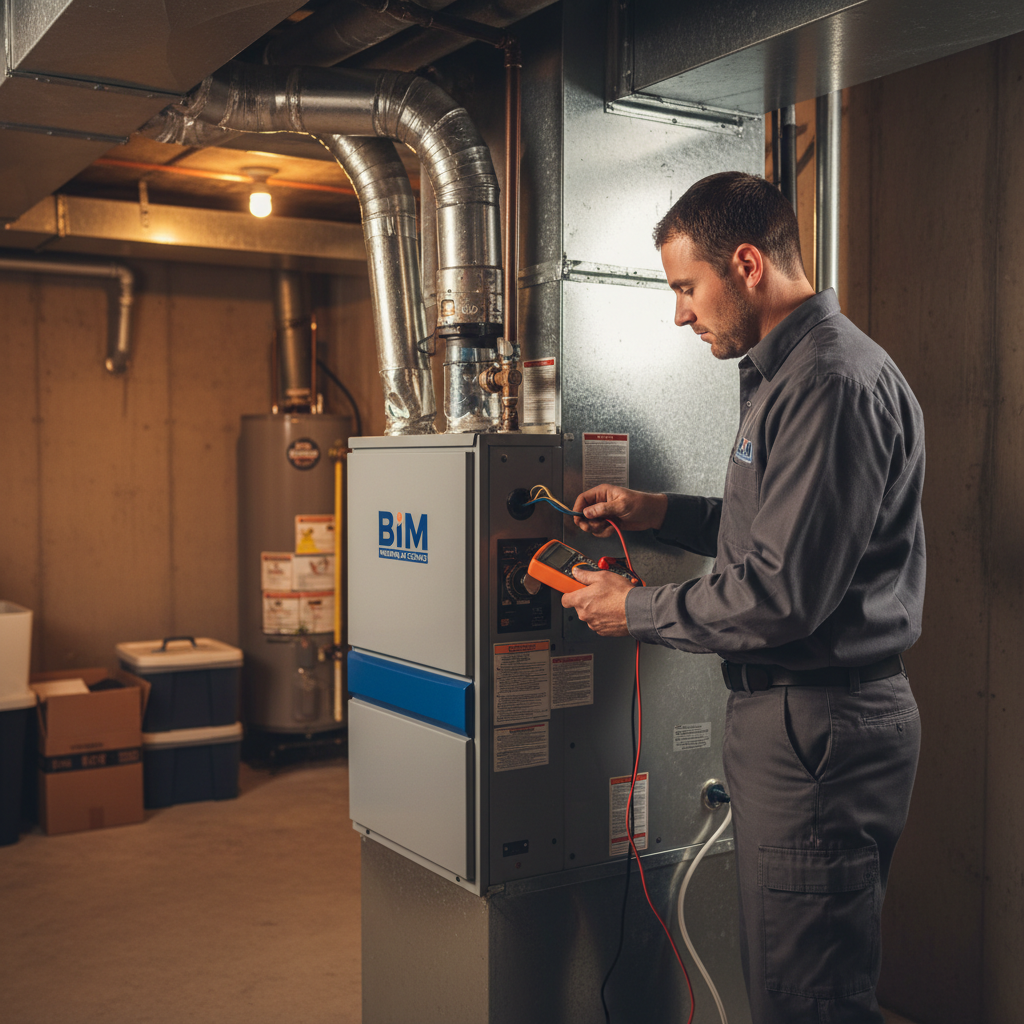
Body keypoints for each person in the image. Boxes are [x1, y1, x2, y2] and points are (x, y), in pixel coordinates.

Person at [564, 171, 924, 1024]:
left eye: (688, 287)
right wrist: (658, 512)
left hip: (817, 734)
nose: (681, 313)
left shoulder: (826, 385)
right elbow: (782, 528)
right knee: (796, 986)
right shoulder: (789, 374)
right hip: (802, 727)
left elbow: (781, 592)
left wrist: (635, 609)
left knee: (811, 1002)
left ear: (749, 265)